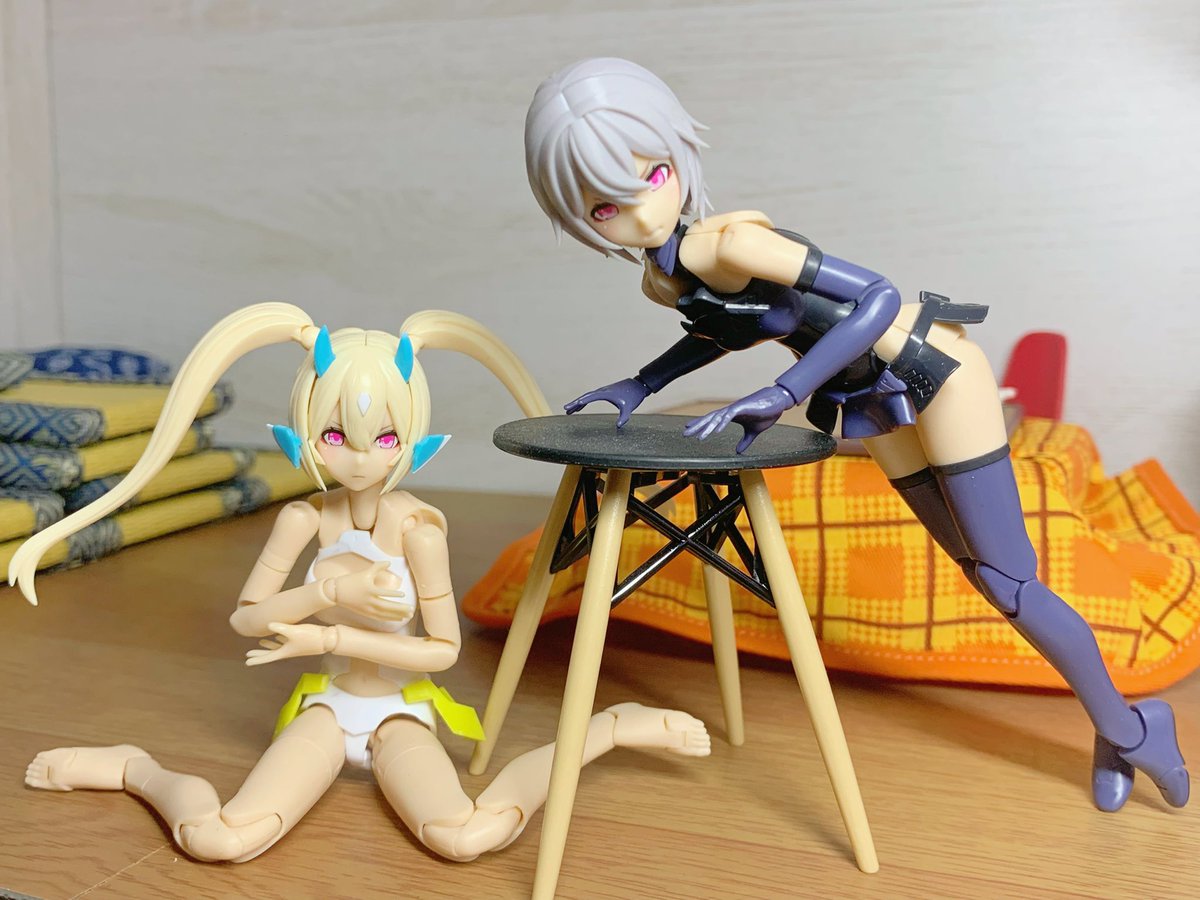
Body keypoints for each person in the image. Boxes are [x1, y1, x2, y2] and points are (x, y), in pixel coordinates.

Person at [524, 56, 1187, 813]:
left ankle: (1132, 727)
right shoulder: (663, 276)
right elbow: (728, 331)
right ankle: (1121, 726)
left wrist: (785, 391)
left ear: (678, 156)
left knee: (1010, 580)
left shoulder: (733, 242)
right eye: (605, 208)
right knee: (982, 577)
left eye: (652, 176)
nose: (643, 214)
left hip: (927, 367)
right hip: (864, 395)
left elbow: (877, 296)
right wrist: (642, 384)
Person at [10, 302, 711, 862]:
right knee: (216, 840)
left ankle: (607, 729)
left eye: (385, 439)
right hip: (323, 708)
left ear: (413, 438)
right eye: (335, 435)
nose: (359, 458)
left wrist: (331, 634)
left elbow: (442, 651)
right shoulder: (302, 519)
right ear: (306, 431)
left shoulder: (419, 531)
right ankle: (134, 769)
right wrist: (327, 597)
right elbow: (247, 618)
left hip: (401, 711)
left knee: (467, 837)